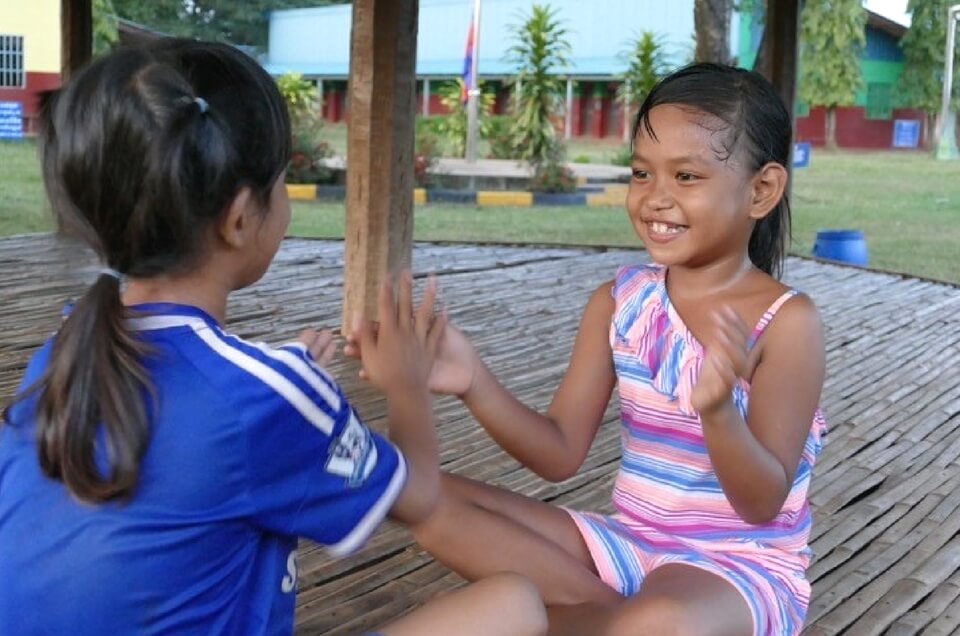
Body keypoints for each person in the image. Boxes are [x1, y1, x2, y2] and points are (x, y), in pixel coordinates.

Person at [0, 39, 546, 636]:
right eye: (281, 182)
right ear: (238, 219)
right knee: (514, 605)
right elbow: (418, 498)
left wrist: (289, 384)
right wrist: (407, 382)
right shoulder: (260, 399)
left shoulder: (62, 351)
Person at [350, 63, 827, 636]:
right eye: (641, 174)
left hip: (734, 570)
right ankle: (598, 617)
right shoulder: (619, 301)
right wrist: (474, 379)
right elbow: (559, 453)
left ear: (761, 190)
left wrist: (719, 412)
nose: (656, 198)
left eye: (687, 177)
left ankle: (573, 620)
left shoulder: (787, 322)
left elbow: (763, 502)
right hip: (624, 549)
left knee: (659, 620)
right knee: (418, 495)